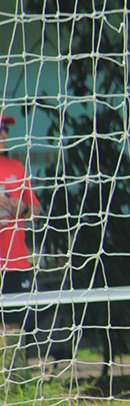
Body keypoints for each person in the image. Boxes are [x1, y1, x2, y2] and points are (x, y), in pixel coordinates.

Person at [0, 114, 44, 338]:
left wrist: (22, 208)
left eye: (6, 129)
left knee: (13, 331)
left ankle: (11, 373)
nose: (4, 134)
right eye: (0, 129)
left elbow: (36, 212)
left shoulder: (16, 167)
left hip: (15, 262)